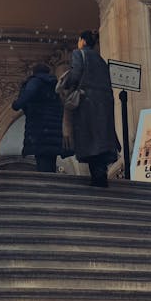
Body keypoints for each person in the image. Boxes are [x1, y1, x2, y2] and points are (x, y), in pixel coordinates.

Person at [60, 30, 119, 187]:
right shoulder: (100, 60)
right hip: (104, 103)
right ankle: (100, 173)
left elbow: (76, 74)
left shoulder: (79, 54)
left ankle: (97, 175)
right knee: (100, 139)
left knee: (90, 138)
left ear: (82, 41)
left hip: (87, 103)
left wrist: (66, 82)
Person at [12, 63, 63, 173]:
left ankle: (45, 181)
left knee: (41, 153)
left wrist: (16, 104)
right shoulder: (54, 84)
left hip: (40, 123)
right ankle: (50, 177)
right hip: (54, 125)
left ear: (34, 72)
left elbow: (28, 94)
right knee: (50, 155)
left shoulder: (36, 81)